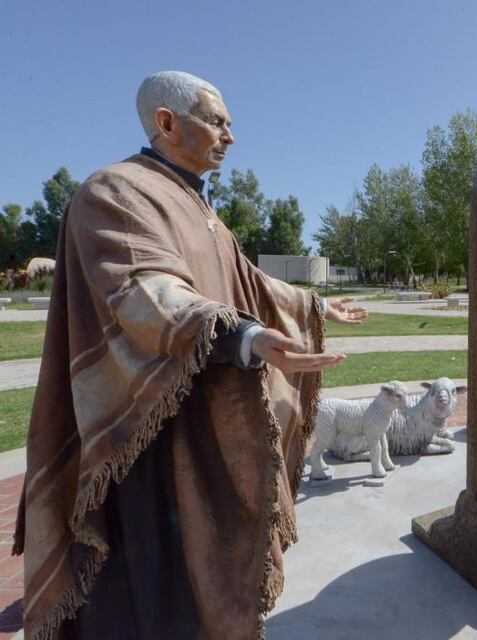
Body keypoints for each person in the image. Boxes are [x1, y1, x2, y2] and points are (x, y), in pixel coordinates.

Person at [13, 71, 365, 639]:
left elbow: (247, 284)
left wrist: (313, 303)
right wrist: (243, 338)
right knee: (144, 586)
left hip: (200, 417)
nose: (231, 136)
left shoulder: (203, 212)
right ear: (167, 123)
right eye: (219, 122)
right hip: (138, 433)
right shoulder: (115, 191)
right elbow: (145, 291)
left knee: (200, 576)